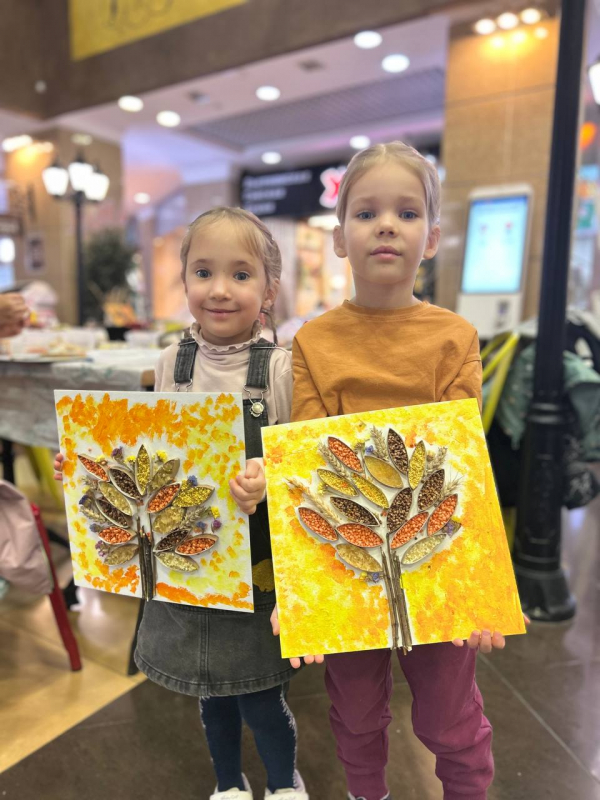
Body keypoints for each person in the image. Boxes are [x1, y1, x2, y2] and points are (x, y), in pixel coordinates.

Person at [55, 207, 308, 800]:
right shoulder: (171, 362)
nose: (219, 289)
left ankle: (284, 782)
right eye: (203, 272)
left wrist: (268, 475)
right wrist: (85, 468)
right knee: (209, 694)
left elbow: (299, 461)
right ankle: (228, 783)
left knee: (261, 696)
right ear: (184, 279)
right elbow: (151, 447)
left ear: (269, 289)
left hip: (257, 564)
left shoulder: (280, 368)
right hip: (189, 560)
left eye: (240, 275)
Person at [284, 142, 512, 800]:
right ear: (339, 239)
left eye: (407, 213)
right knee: (355, 712)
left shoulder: (454, 338)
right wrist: (304, 596)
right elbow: (307, 466)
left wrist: (481, 592)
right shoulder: (313, 342)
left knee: (449, 717)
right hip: (347, 558)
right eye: (366, 213)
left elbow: (463, 466)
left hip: (436, 558)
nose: (386, 225)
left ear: (431, 238)